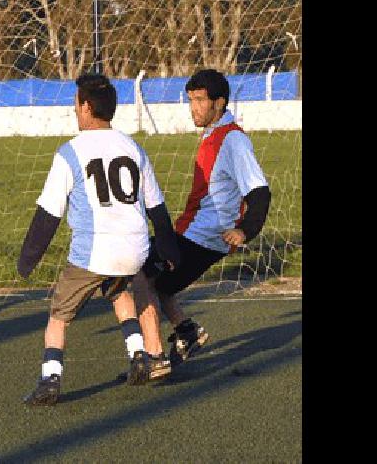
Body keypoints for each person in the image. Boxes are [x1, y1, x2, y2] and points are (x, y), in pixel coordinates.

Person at [17, 74, 181, 406]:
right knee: (118, 290)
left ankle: (50, 379)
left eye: (76, 103)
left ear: (87, 107)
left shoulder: (70, 152)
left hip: (94, 252)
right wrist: (168, 247)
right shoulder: (133, 147)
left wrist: (28, 259)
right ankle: (138, 355)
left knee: (58, 315)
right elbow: (158, 207)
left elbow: (48, 215)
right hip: (135, 249)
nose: (74, 110)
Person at [131, 68, 272, 376]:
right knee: (158, 280)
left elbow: (260, 191)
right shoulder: (213, 134)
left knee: (140, 276)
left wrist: (245, 230)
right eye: (190, 100)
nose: (193, 107)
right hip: (192, 231)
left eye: (199, 100)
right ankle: (186, 332)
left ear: (218, 103)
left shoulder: (233, 139)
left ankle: (152, 357)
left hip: (205, 237)